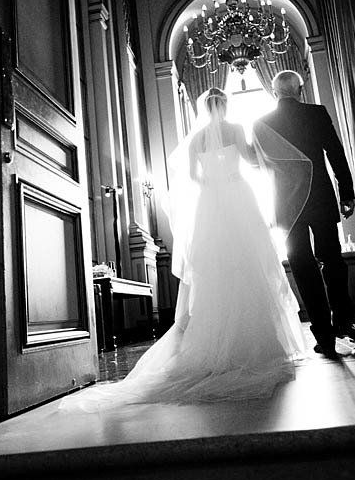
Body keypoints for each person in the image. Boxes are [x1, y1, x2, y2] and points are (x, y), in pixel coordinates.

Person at [59, 87, 307, 412]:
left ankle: (216, 344)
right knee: (249, 266)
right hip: (239, 200)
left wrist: (213, 185)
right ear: (226, 105)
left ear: (204, 109)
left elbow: (191, 176)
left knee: (214, 271)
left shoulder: (197, 138)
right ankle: (259, 346)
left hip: (211, 206)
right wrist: (264, 161)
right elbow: (251, 161)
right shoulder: (236, 130)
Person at [252, 70, 355, 359]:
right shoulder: (316, 113)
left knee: (303, 267)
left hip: (286, 203)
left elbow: (260, 165)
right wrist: (347, 193)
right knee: (333, 260)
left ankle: (324, 336)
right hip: (320, 197)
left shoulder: (261, 123)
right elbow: (336, 153)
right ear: (300, 89)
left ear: (274, 90)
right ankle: (343, 323)